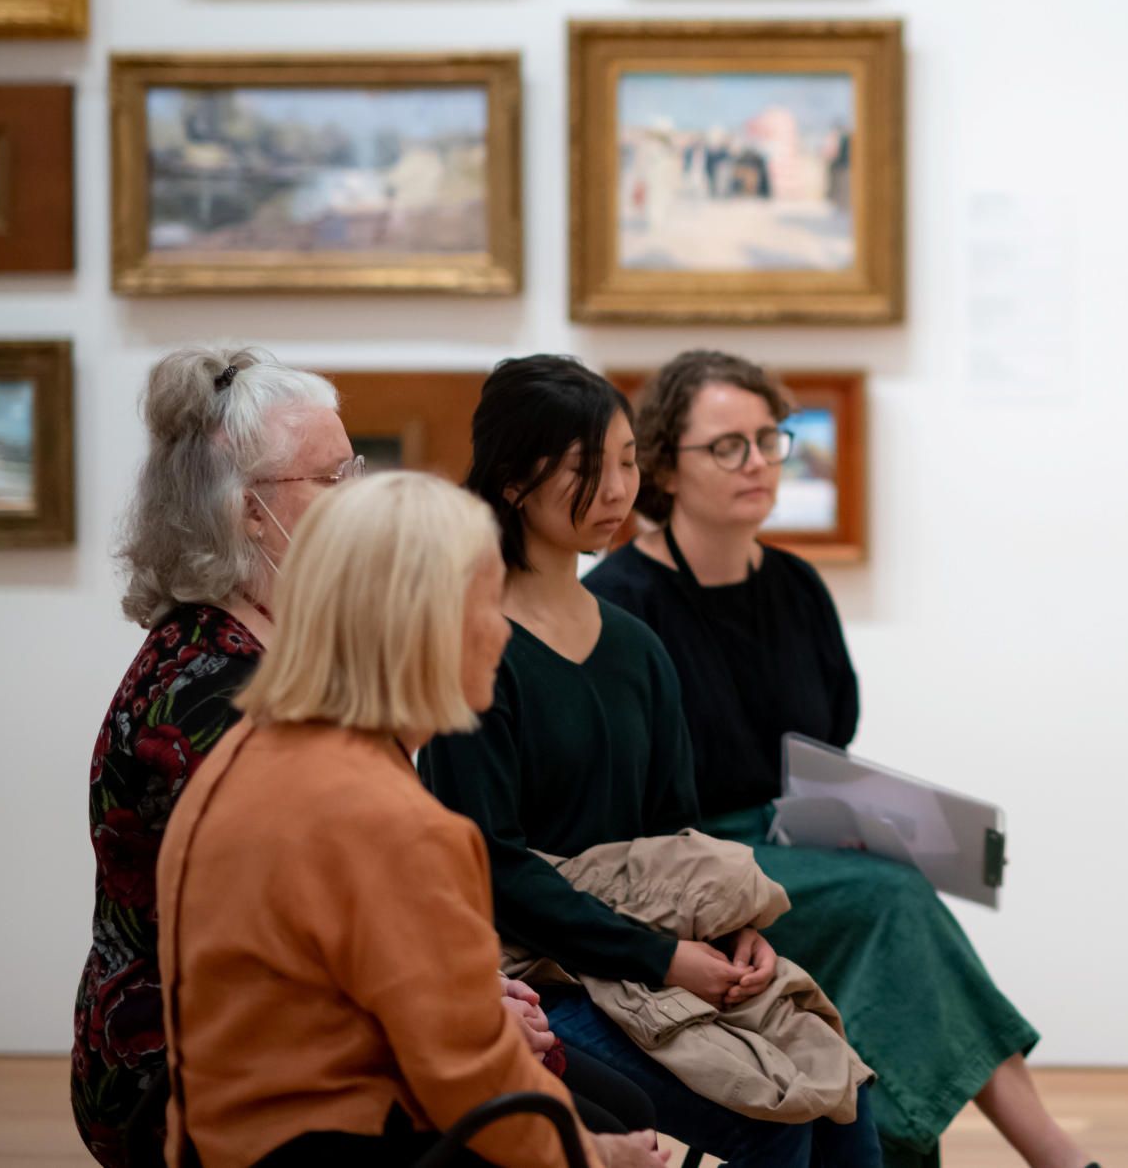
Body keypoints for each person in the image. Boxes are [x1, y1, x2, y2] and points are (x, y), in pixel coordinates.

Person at [586, 351, 1094, 1168]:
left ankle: (929, 1146)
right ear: (663, 468)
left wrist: (852, 816)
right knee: (895, 899)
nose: (758, 463)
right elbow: (629, 802)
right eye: (727, 446)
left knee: (896, 893)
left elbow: (825, 744)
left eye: (769, 439)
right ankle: (1054, 1155)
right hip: (688, 862)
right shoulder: (619, 602)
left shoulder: (796, 585)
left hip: (797, 844)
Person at [422, 356, 881, 1168]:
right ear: (515, 481)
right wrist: (663, 957)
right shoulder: (476, 641)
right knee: (767, 1119)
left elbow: (677, 832)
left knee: (845, 1089)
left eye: (628, 461)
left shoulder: (635, 644)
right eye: (587, 469)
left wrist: (735, 930)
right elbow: (491, 863)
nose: (616, 489)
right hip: (541, 971)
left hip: (654, 952)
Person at [157, 470, 666, 1168]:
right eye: (488, 605)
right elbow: (471, 1083)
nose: (503, 631)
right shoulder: (394, 821)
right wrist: (602, 1159)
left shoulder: (249, 746)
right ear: (423, 627)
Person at [70, 346, 355, 1168]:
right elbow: (292, 937)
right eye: (331, 480)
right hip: (189, 1073)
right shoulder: (208, 693)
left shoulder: (261, 647)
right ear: (250, 511)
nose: (354, 501)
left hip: (259, 1034)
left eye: (354, 470)